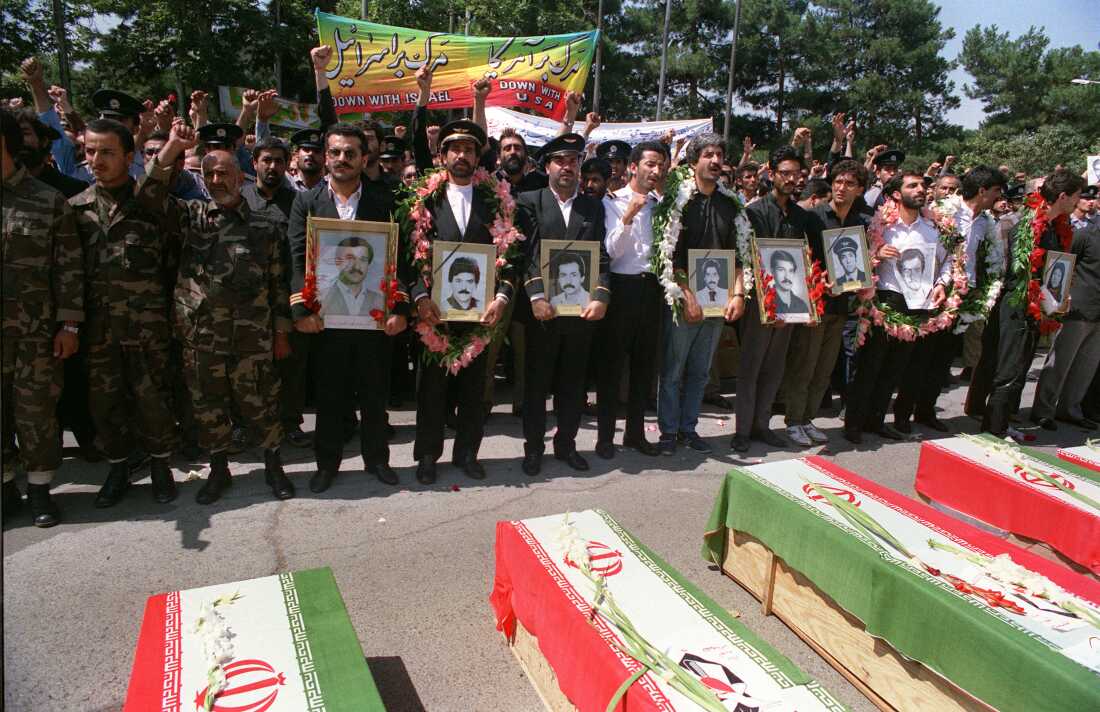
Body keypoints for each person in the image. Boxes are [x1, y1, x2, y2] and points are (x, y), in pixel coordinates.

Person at [166, 136, 295, 503]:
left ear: (241, 177)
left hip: (250, 338)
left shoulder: (265, 228)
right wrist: (173, 146)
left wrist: (281, 333)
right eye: (210, 174)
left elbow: (277, 285)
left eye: (224, 172)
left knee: (262, 403)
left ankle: (274, 466)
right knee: (208, 406)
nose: (217, 180)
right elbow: (149, 197)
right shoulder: (190, 217)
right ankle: (219, 470)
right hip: (202, 338)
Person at [70, 118, 187, 507]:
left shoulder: (147, 203)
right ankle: (118, 468)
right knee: (105, 404)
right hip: (99, 329)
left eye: (107, 152)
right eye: (90, 152)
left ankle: (160, 468)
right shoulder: (75, 210)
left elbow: (157, 179)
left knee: (153, 399)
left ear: (128, 156)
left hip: (146, 326)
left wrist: (171, 146)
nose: (97, 160)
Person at [289, 123, 411, 492]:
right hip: (326, 318)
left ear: (364, 158)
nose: (342, 159)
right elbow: (297, 259)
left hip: (374, 318)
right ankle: (327, 464)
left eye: (350, 153)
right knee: (330, 397)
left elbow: (400, 259)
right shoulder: (307, 202)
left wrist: (399, 308)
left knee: (375, 395)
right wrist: (301, 311)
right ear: (326, 157)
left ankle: (377, 461)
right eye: (336, 152)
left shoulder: (385, 201)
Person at [410, 120, 515, 483]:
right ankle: (427, 455)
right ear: (442, 156)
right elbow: (409, 257)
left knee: (475, 391)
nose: (462, 155)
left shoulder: (494, 200)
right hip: (435, 314)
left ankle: (468, 452)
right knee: (432, 391)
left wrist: (502, 297)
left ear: (478, 156)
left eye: (469, 149)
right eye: (454, 149)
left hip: (480, 313)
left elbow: (511, 256)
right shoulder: (427, 198)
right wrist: (420, 297)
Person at [0, 108, 84, 527]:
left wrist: (69, 324)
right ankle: (5, 490)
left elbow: (67, 268)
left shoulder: (46, 200)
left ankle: (38, 492)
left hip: (35, 333)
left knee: (35, 414)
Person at [515, 132, 609, 475]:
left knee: (573, 383)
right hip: (542, 313)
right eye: (560, 161)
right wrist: (537, 296)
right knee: (537, 384)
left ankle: (566, 445)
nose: (567, 167)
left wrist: (600, 296)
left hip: (579, 312)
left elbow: (602, 256)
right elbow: (523, 254)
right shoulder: (529, 200)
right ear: (547, 166)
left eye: (573, 161)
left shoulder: (593, 206)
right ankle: (533, 448)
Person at [894, 165, 1005, 435]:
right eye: (995, 191)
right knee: (920, 358)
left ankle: (926, 410)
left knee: (942, 360)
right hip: (935, 291)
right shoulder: (945, 213)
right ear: (982, 191)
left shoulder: (986, 221)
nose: (999, 197)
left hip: (963, 297)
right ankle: (902, 414)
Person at [973, 169, 1084, 437]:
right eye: (1076, 196)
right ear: (1062, 196)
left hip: (1036, 308)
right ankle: (994, 430)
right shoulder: (1029, 224)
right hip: (1017, 305)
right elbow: (1021, 275)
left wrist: (1057, 298)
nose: (1078, 202)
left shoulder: (1057, 226)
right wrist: (1047, 300)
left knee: (1020, 368)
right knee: (1008, 370)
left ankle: (1002, 422)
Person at [844, 171, 952, 443]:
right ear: (895, 194)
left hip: (917, 305)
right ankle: (854, 423)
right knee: (871, 366)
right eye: (912, 186)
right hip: (884, 301)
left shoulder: (931, 228)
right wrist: (875, 255)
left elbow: (949, 260)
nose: (921, 189)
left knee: (895, 369)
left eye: (922, 185)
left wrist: (941, 282)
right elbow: (855, 260)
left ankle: (876, 421)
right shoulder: (881, 225)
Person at [656, 133, 746, 456]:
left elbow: (738, 255)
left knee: (701, 371)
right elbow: (668, 254)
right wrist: (686, 295)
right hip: (683, 299)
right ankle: (668, 431)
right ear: (694, 161)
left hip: (718, 302)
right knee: (673, 369)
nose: (715, 160)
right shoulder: (679, 200)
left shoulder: (730, 204)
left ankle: (688, 428)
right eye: (708, 154)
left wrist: (738, 295)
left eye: (720, 154)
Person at [735, 145, 817, 452]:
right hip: (759, 299)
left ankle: (762, 425)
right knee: (751, 366)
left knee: (774, 368)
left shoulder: (800, 216)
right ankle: (743, 430)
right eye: (785, 173)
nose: (791, 179)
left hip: (790, 299)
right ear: (772, 174)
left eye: (796, 174)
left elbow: (805, 258)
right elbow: (747, 255)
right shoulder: (754, 211)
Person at [784, 159, 869, 447]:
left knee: (824, 369)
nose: (841, 188)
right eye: (838, 182)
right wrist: (820, 283)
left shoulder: (859, 223)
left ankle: (807, 419)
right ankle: (794, 421)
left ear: (859, 189)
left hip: (842, 306)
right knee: (804, 365)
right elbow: (799, 258)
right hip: (815, 304)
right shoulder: (814, 217)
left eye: (849, 184)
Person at [597, 140, 668, 458]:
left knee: (643, 367)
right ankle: (605, 437)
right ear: (633, 167)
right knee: (611, 366)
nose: (656, 170)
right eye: (650, 164)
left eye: (661, 165)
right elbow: (610, 252)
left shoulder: (662, 205)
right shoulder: (612, 202)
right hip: (620, 289)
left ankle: (635, 433)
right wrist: (628, 215)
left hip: (651, 289)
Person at [1031, 219, 1100, 430]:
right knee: (1059, 363)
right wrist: (1057, 301)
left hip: (1098, 313)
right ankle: (1043, 410)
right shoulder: (1085, 234)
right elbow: (1063, 262)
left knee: (1086, 366)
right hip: (1077, 309)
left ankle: (1069, 409)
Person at [321, 238, 387, 318]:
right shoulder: (321, 298)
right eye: (350, 258)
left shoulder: (381, 301)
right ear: (338, 262)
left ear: (368, 264)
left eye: (363, 260)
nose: (357, 266)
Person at [770, 249, 809, 314]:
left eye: (790, 271)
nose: (787, 277)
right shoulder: (766, 302)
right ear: (772, 271)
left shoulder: (802, 306)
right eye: (781, 270)